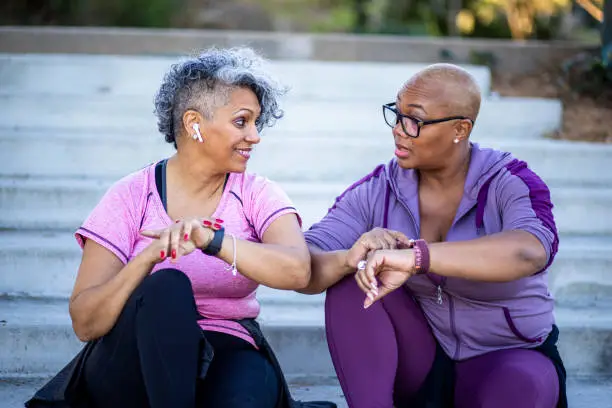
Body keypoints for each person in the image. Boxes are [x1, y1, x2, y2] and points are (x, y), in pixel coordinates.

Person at [26, 47, 335, 408]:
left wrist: (213, 240)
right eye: (241, 121)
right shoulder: (130, 195)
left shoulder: (258, 193)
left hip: (227, 345)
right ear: (193, 123)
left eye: (256, 122)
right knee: (168, 286)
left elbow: (298, 271)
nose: (255, 136)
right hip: (133, 359)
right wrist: (149, 259)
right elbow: (85, 322)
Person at [300, 63, 566, 408]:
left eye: (415, 121)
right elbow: (303, 262)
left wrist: (417, 258)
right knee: (351, 280)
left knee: (521, 385)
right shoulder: (379, 189)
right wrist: (346, 257)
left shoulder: (509, 182)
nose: (398, 130)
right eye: (396, 114)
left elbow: (529, 251)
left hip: (505, 359)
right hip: (422, 362)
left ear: (460, 129)